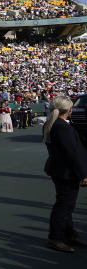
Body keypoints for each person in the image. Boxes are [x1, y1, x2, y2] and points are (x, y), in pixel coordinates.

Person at [42, 95, 87, 253]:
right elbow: (72, 153)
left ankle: (69, 234)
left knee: (66, 204)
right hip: (66, 171)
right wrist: (83, 174)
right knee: (64, 205)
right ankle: (56, 237)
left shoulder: (54, 124)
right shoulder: (61, 127)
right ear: (69, 110)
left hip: (60, 169)